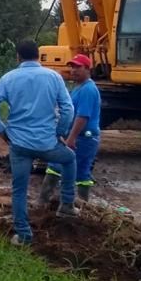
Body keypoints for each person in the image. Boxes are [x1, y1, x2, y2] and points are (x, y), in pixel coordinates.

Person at [0, 40, 77, 246]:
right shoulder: (54, 77)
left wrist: (1, 131)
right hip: (47, 143)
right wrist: (60, 132)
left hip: (19, 144)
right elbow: (68, 109)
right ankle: (67, 204)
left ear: (18, 57)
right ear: (38, 56)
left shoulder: (9, 78)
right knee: (69, 159)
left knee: (19, 190)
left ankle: (24, 235)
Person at [38, 54, 101, 204]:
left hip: (83, 138)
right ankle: (47, 202)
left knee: (72, 170)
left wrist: (71, 137)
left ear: (87, 68)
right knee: (63, 167)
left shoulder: (88, 90)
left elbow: (82, 116)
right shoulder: (79, 87)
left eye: (77, 67)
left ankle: (74, 204)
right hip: (78, 136)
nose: (73, 70)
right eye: (72, 67)